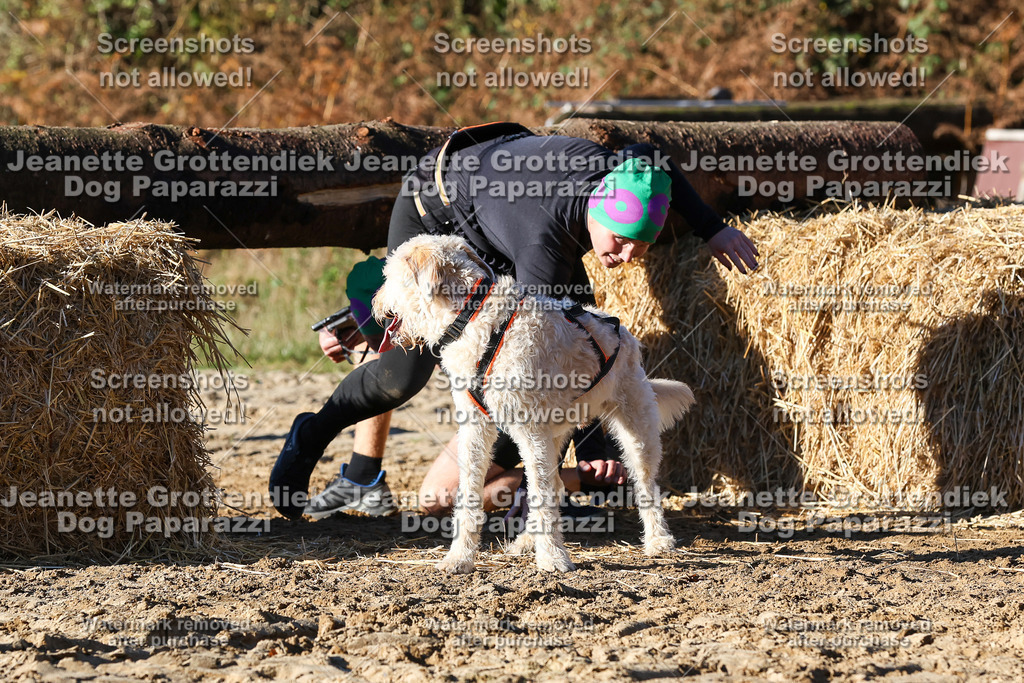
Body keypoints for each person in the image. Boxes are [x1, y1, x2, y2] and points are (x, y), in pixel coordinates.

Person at [269, 122, 759, 520]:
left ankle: (551, 475)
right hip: (436, 208)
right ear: (597, 211)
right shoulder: (541, 244)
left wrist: (712, 229)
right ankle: (313, 430)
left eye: (640, 244)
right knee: (406, 369)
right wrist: (583, 442)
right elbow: (546, 353)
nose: (628, 256)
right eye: (618, 240)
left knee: (569, 331)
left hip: (501, 204)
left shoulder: (625, 176)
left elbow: (657, 159)